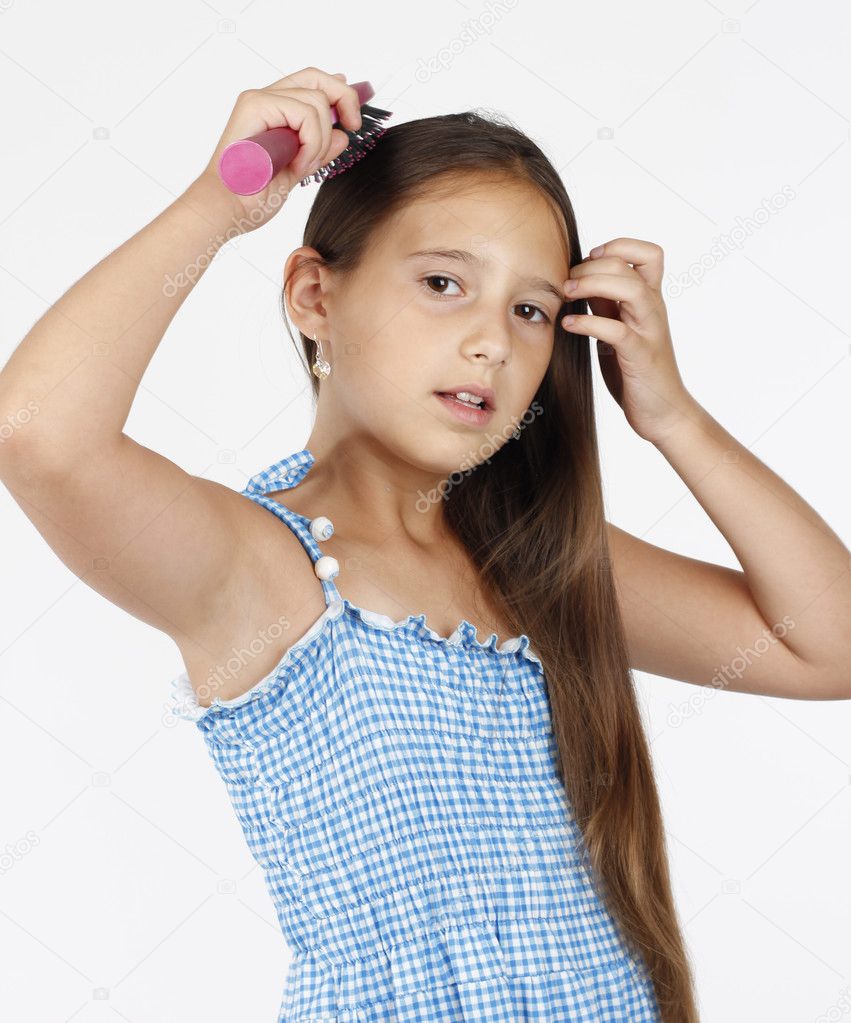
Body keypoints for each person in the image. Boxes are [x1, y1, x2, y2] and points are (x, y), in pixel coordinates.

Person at [1, 65, 849, 1023]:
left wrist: (675, 418)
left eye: (528, 310)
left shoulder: (536, 561)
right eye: (443, 282)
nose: (491, 340)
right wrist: (222, 201)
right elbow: (38, 433)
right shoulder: (264, 570)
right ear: (315, 296)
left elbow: (830, 644)